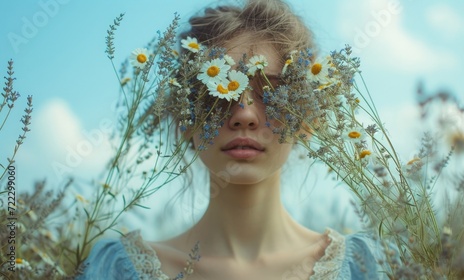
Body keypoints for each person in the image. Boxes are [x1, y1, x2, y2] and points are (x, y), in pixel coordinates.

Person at [76, 0, 381, 279]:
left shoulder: (362, 267)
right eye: (217, 91)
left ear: (306, 121)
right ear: (185, 121)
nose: (245, 114)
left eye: (271, 93)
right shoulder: (114, 270)